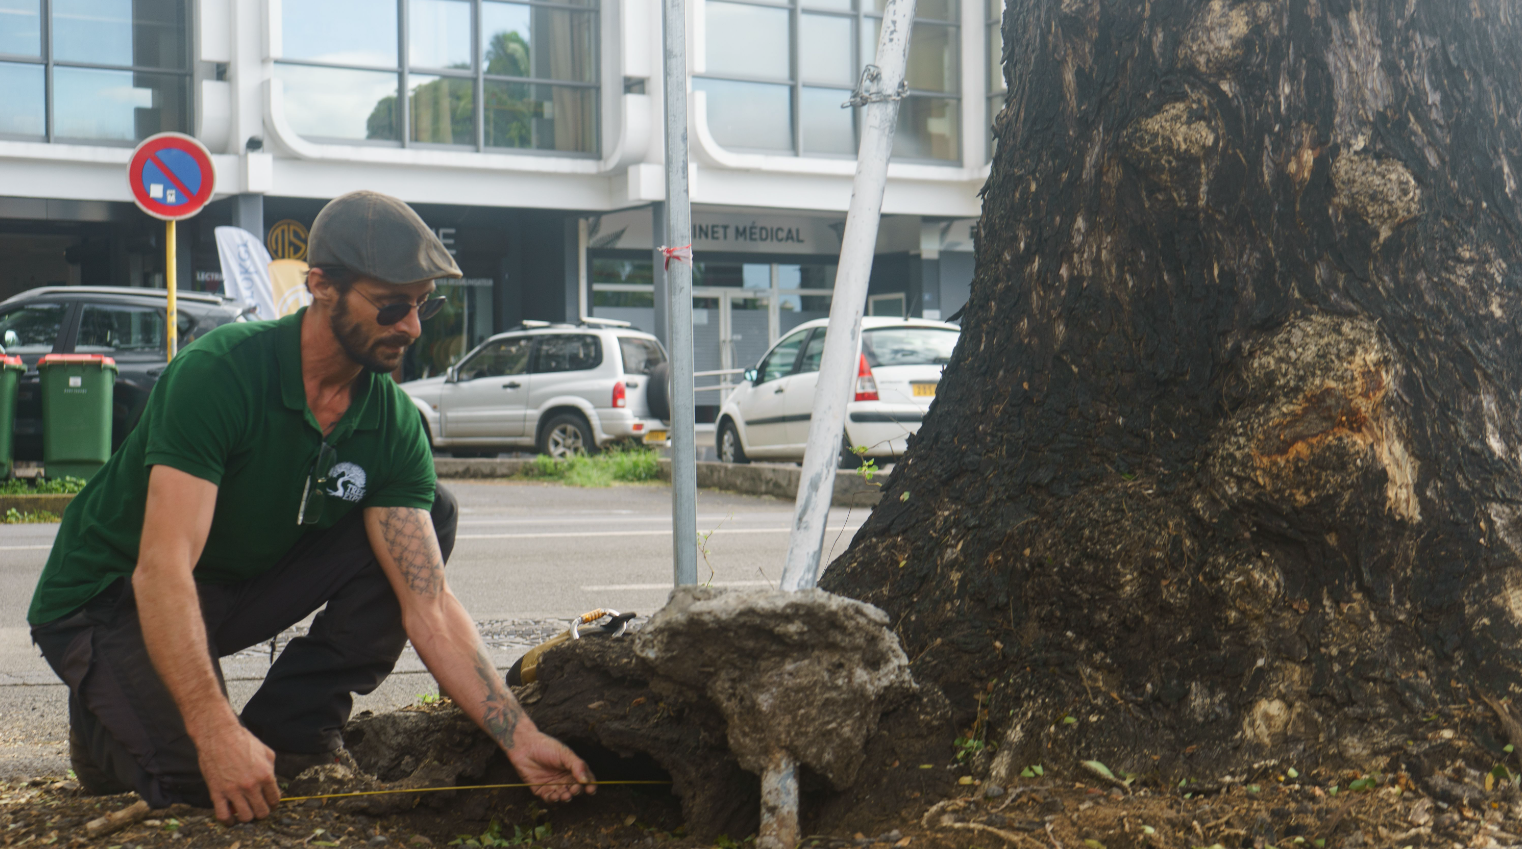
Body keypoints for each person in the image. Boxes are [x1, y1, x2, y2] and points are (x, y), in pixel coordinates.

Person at [27, 191, 594, 824]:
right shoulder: (221, 374)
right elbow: (161, 570)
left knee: (433, 510)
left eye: (423, 304)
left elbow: (428, 606)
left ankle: (290, 730)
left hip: (230, 587)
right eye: (393, 306)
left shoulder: (390, 422)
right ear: (321, 286)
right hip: (111, 593)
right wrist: (214, 732)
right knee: (201, 785)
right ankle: (107, 707)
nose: (413, 327)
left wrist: (519, 737)